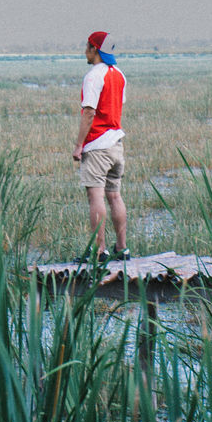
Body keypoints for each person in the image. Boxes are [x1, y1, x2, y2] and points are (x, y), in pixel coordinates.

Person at [72, 30, 128, 261]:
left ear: (95, 49)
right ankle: (122, 249)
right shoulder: (120, 75)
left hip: (97, 145)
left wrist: (78, 145)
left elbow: (89, 112)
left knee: (95, 197)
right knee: (114, 196)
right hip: (116, 144)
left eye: (87, 46)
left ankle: (99, 252)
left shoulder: (94, 76)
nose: (85, 50)